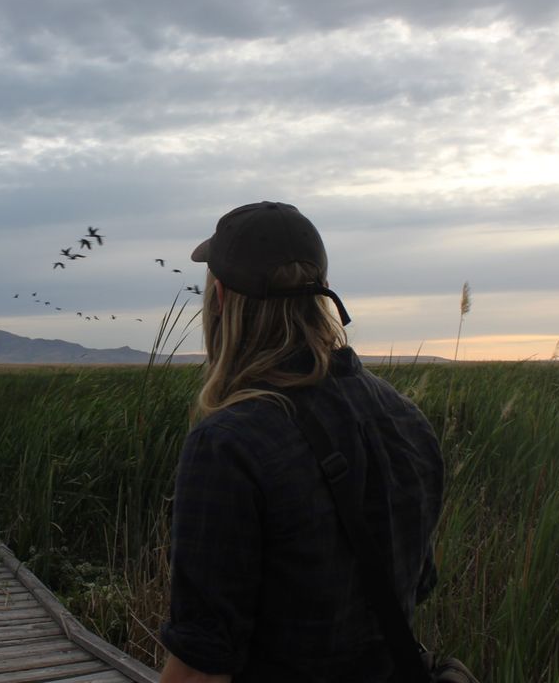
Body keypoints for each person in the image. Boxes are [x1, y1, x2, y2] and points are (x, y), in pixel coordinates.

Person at [159, 201, 445, 682]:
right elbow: (415, 586)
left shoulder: (228, 444)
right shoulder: (406, 419)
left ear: (222, 299)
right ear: (322, 293)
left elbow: (198, 672)